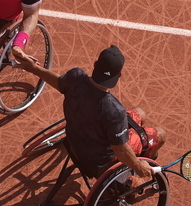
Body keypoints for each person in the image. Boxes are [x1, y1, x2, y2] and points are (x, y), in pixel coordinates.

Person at [13, 45, 166, 183]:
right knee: (160, 134)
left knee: (140, 113)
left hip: (74, 144)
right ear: (119, 75)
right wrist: (140, 166)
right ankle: (145, 161)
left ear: (95, 65)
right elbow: (120, 150)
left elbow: (59, 82)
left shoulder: (75, 77)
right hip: (100, 162)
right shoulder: (114, 110)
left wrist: (33, 68)